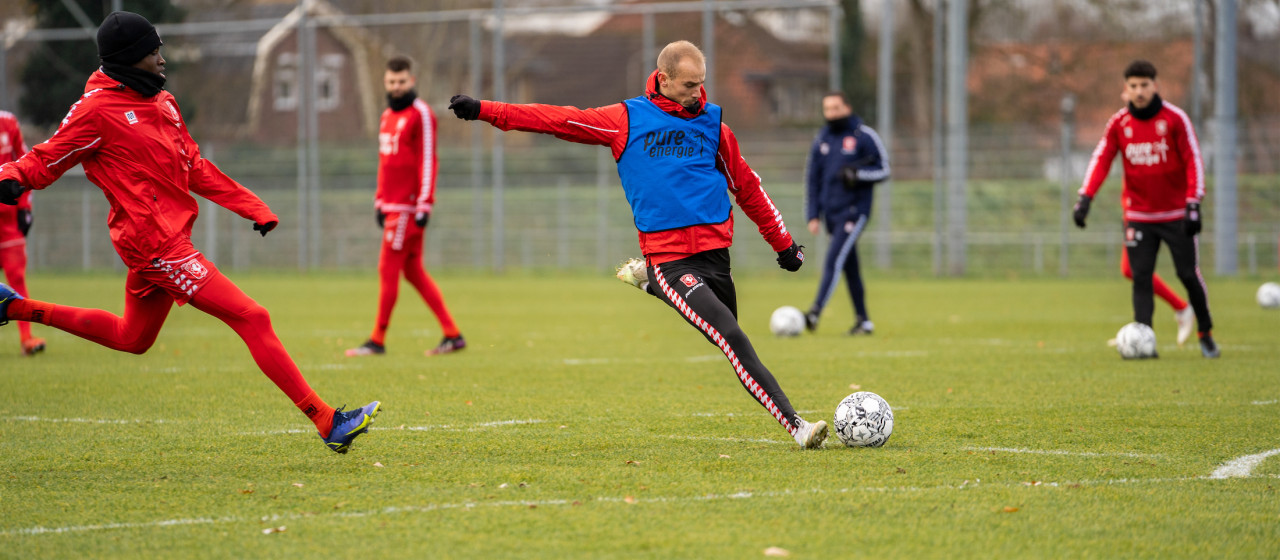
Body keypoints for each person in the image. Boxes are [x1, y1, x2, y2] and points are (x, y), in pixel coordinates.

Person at [0, 11, 380, 452]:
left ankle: (16, 307)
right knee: (253, 317)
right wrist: (12, 175)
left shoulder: (164, 102)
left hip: (164, 239)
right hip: (155, 244)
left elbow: (194, 165)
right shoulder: (96, 110)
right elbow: (45, 157)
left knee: (133, 338)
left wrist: (252, 206)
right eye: (152, 52)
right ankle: (326, 420)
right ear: (128, 59)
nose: (162, 59)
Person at [447, 40, 829, 448]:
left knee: (725, 336)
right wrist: (486, 110)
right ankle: (797, 426)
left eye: (701, 84)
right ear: (662, 79)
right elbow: (556, 119)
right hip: (671, 259)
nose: (697, 94)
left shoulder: (715, 126)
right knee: (732, 336)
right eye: (687, 85)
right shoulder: (626, 119)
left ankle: (649, 283)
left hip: (716, 258)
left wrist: (784, 245)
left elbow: (748, 188)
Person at [1074, 59, 1218, 358]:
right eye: (1133, 86)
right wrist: (1085, 197)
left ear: (1155, 85)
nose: (1139, 91)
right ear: (1125, 89)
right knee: (1140, 277)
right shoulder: (1118, 124)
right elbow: (1101, 159)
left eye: (1144, 85)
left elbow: (1193, 160)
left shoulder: (1175, 119)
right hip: (1138, 215)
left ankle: (1205, 334)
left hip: (1176, 214)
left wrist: (1194, 202)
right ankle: (1145, 341)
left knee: (1188, 275)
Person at [346, 56, 465, 358]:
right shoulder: (387, 115)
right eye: (391, 82)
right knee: (412, 272)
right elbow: (386, 164)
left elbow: (428, 160)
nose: (396, 87)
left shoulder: (421, 114)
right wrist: (379, 200)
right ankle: (452, 334)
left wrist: (425, 203)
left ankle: (377, 340)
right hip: (392, 206)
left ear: (412, 81)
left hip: (408, 209)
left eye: (401, 82)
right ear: (385, 83)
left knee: (387, 269)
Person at [801, 92, 889, 336]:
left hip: (855, 211)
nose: (832, 113)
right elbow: (812, 179)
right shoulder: (822, 139)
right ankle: (864, 322)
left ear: (847, 107)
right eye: (827, 109)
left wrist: (857, 175)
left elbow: (884, 169)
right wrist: (813, 214)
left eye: (836, 108)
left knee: (833, 259)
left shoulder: (864, 135)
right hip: (831, 214)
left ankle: (815, 312)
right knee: (850, 268)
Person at [0, 110, 45, 356]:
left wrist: (25, 206)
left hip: (8, 219)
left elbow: (25, 162)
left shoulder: (8, 122)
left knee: (16, 278)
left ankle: (26, 338)